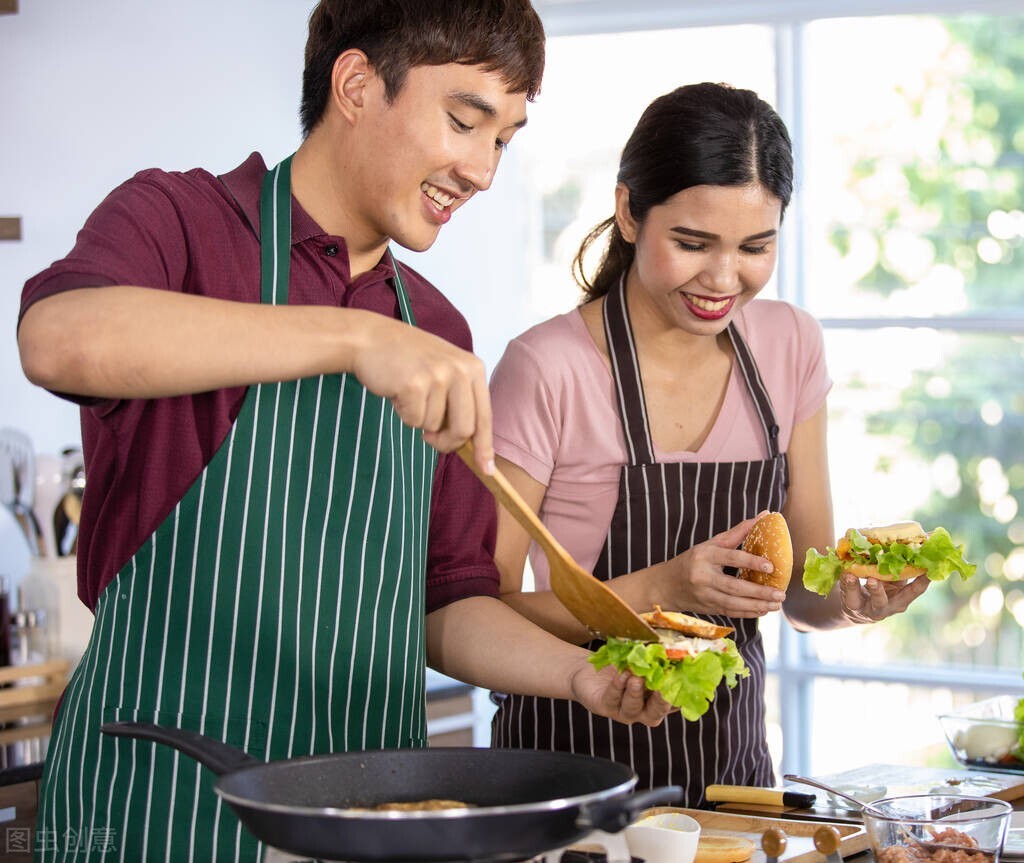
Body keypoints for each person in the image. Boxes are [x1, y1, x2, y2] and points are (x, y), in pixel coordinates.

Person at [16, 3, 673, 860]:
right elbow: (57, 339)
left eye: (503, 140)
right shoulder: (183, 223)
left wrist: (580, 673)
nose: (482, 170)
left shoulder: (435, 333)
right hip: (158, 803)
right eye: (464, 120)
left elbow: (445, 604)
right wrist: (356, 339)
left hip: (368, 818)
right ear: (357, 84)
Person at [487, 82, 930, 807]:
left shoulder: (790, 345)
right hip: (566, 785)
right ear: (629, 212)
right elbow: (483, 611)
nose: (724, 279)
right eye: (692, 244)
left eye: (756, 246)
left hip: (733, 789)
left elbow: (801, 592)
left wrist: (855, 601)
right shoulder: (548, 366)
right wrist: (662, 588)